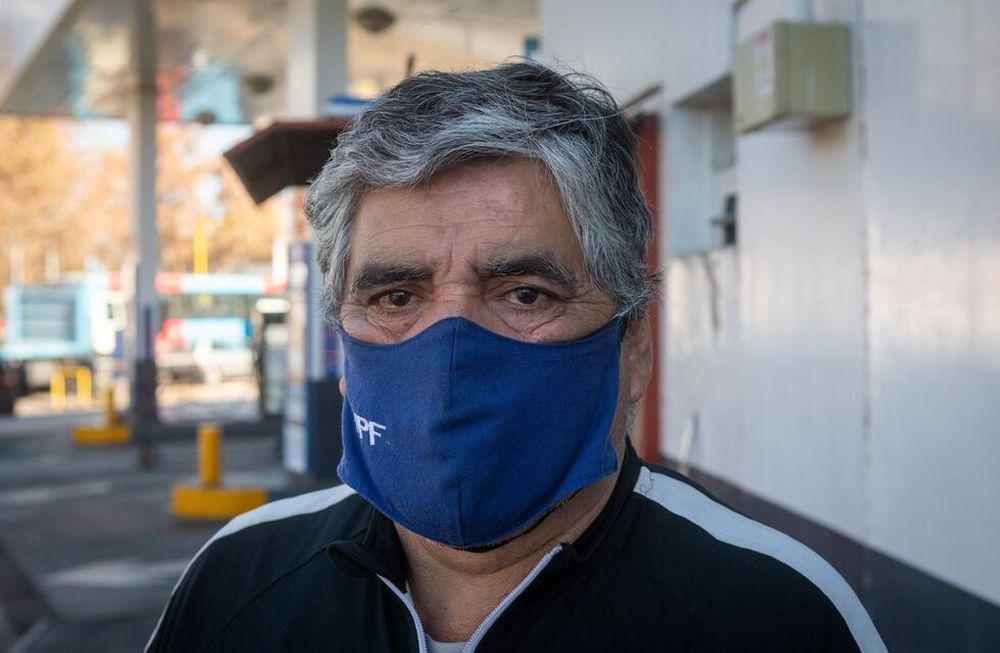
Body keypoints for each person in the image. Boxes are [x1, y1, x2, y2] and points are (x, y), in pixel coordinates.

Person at [147, 61, 885, 652]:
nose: (449, 354)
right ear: (343, 342)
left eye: (525, 293)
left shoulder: (778, 615)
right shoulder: (238, 579)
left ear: (633, 344)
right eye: (397, 297)